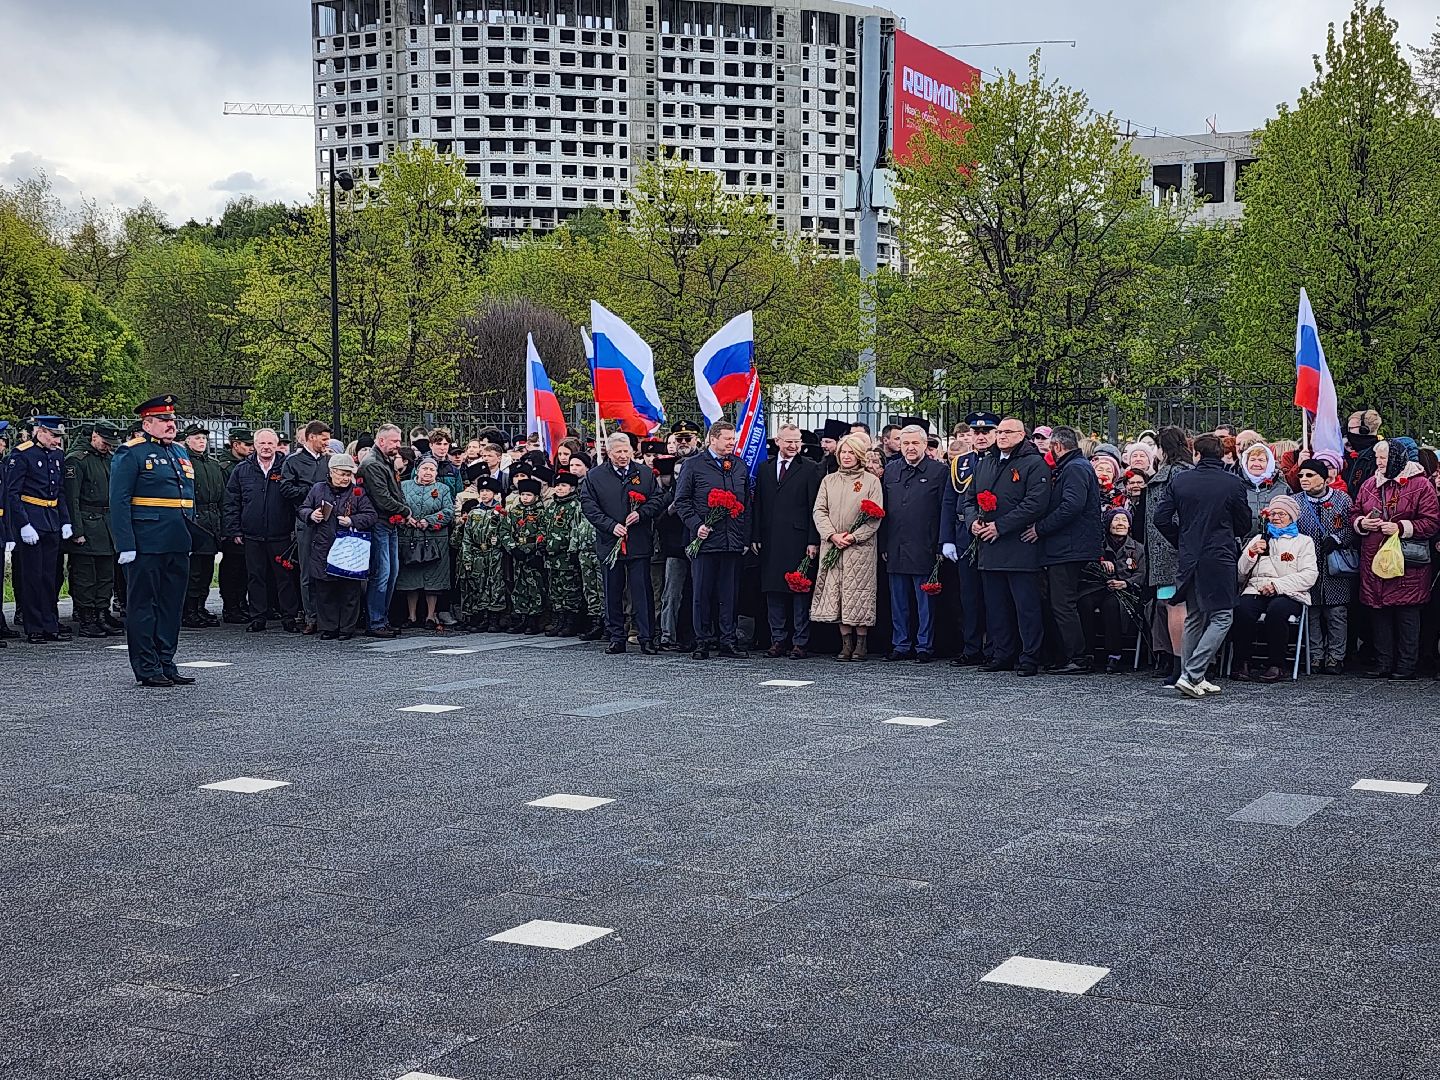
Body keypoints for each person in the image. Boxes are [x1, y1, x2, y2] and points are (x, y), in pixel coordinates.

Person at [1153, 433, 1253, 699]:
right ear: (1221, 455)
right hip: (1219, 556)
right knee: (1222, 615)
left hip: (1189, 555)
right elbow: (1244, 523)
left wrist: (1182, 539)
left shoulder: (1181, 481)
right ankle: (1194, 673)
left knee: (1195, 615)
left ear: (1196, 453)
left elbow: (1160, 518)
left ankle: (1190, 675)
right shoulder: (1232, 483)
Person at [109, 396, 197, 687]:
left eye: (172, 420)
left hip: (177, 540)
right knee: (143, 605)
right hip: (146, 541)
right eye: (163, 420)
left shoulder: (180, 453)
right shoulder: (130, 453)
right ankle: (146, 666)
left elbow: (186, 500)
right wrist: (126, 544)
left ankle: (165, 661)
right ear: (147, 424)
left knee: (172, 605)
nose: (171, 425)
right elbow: (119, 501)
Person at [965, 417, 1051, 676]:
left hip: (1019, 545)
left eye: (1007, 432)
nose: (1001, 436)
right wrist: (973, 523)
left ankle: (1029, 656)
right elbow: (969, 499)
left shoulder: (1034, 463)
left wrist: (1000, 526)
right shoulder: (986, 462)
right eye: (999, 432)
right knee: (996, 605)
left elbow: (1035, 503)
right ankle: (1002, 653)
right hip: (989, 547)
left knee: (1026, 606)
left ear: (1021, 434)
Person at [1351, 438, 1440, 680]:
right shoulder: (1370, 483)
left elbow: (1431, 522)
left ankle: (1406, 665)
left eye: (1384, 458)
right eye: (1378, 458)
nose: (1379, 462)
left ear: (1398, 459)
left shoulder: (1421, 484)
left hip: (1406, 559)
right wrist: (1361, 523)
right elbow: (1355, 512)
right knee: (1378, 611)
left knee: (1407, 613)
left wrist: (1401, 527)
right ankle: (1383, 663)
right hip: (1374, 556)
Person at [579, 432, 664, 654]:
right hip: (610, 543)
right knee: (613, 591)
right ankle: (616, 636)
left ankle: (647, 637)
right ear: (609, 452)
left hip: (638, 542)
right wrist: (610, 526)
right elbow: (589, 507)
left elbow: (657, 499)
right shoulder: (595, 476)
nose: (624, 456)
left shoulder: (644, 474)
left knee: (642, 591)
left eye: (627, 451)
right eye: (619, 452)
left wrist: (642, 513)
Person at [675, 420, 752, 659]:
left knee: (728, 593)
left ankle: (727, 640)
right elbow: (682, 501)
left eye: (733, 438)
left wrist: (745, 536)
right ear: (713, 439)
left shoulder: (738, 465)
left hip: (732, 541)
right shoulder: (694, 465)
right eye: (727, 438)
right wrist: (696, 525)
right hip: (705, 541)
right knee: (702, 593)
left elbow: (747, 504)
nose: (732, 443)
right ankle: (702, 640)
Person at [1028, 426, 1101, 674]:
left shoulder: (1074, 469)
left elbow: (1071, 506)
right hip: (1069, 545)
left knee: (1062, 603)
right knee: (1064, 602)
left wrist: (1041, 528)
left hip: (1068, 547)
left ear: (1057, 447)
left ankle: (1077, 656)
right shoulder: (1076, 466)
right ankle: (1069, 654)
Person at [1230, 494, 1318, 683]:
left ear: (1292, 517)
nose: (1276, 517)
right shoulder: (1258, 539)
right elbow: (1239, 573)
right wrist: (1251, 554)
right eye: (1273, 513)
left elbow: (1310, 575)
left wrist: (1277, 585)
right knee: (1242, 610)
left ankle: (1277, 664)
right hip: (1256, 589)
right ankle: (1242, 662)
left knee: (1277, 611)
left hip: (1289, 591)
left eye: (1282, 514)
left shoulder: (1304, 542)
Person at [811, 432, 884, 660]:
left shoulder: (871, 481)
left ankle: (861, 643)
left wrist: (853, 537)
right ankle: (845, 643)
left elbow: (875, 516)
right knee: (838, 593)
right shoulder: (829, 480)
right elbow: (819, 510)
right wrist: (832, 535)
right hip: (833, 544)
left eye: (851, 452)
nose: (847, 456)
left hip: (859, 547)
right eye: (843, 452)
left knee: (858, 593)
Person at [752, 423, 822, 659]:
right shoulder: (765, 468)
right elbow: (758, 505)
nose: (793, 446)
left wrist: (813, 540)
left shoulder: (810, 468)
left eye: (797, 441)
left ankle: (800, 641)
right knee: (774, 590)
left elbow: (816, 507)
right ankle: (778, 639)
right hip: (771, 539)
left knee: (799, 591)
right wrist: (755, 536)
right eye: (789, 441)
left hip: (799, 539)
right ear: (778, 441)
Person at [880, 424, 947, 663]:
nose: (910, 448)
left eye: (915, 443)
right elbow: (884, 510)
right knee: (898, 600)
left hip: (925, 544)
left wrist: (941, 544)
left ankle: (924, 646)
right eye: (905, 443)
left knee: (924, 602)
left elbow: (944, 510)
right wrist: (885, 544)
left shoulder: (939, 471)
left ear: (924, 444)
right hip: (896, 544)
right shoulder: (891, 470)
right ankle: (901, 644)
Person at [224, 427, 301, 633]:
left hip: (281, 533)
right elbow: (232, 501)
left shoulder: (286, 467)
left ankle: (289, 617)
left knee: (284, 578)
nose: (266, 448)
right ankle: (257, 617)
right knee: (255, 576)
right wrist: (235, 530)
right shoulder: (242, 470)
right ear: (255, 445)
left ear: (276, 446)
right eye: (262, 444)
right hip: (252, 534)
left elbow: (296, 498)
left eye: (270, 444)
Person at [5, 415, 71, 644]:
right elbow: (12, 494)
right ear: (39, 431)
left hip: (51, 519)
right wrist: (23, 525)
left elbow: (60, 491)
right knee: (32, 576)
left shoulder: (57, 455)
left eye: (58, 437)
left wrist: (65, 521)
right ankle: (34, 626)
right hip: (32, 519)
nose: (57, 441)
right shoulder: (22, 454)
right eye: (53, 436)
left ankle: (50, 623)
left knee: (51, 576)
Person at [294, 453, 374, 639]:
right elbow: (303, 509)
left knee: (349, 591)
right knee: (325, 590)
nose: (345, 478)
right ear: (331, 472)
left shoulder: (358, 492)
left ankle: (347, 628)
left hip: (349, 550)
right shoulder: (318, 489)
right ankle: (328, 627)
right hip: (323, 546)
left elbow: (371, 515)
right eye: (341, 474)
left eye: (348, 474)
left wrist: (352, 520)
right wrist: (311, 515)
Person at [940, 412, 997, 666]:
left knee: (993, 596)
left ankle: (994, 648)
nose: (981, 437)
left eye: (986, 432)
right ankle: (971, 647)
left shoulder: (1001, 460)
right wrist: (947, 539)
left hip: (993, 535)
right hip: (964, 534)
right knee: (969, 595)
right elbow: (949, 503)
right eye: (976, 433)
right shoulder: (960, 462)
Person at [1293, 458, 1355, 674]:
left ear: (1324, 477)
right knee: (1311, 612)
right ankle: (1315, 655)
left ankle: (1336, 657)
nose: (1304, 480)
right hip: (1306, 565)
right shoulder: (1296, 501)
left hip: (1335, 566)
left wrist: (1338, 539)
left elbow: (1351, 527)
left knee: (1337, 613)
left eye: (1309, 475)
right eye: (1301, 476)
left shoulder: (1342, 500)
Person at [63, 421, 121, 638]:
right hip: (87, 523)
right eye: (105, 442)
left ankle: (101, 613)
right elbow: (72, 498)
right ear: (94, 436)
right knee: (86, 576)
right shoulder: (77, 461)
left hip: (107, 524)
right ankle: (87, 617)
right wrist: (77, 530)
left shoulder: (109, 459)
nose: (107, 447)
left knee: (106, 574)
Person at [1144, 426, 1192, 685]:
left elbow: (1162, 519)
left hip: (1168, 554)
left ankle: (1179, 663)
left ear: (1162, 449)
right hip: (1188, 551)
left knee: (1175, 608)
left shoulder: (1168, 477)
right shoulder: (1191, 473)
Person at [280, 420, 333, 635]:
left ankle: (328, 616)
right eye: (324, 438)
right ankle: (311, 616)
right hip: (306, 521)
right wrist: (311, 493)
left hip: (330, 522)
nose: (327, 442)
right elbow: (285, 489)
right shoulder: (293, 462)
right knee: (308, 572)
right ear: (311, 437)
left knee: (330, 570)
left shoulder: (330, 461)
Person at [360, 424, 408, 638]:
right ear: (381, 441)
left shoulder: (386, 462)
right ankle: (376, 621)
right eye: (394, 441)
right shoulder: (372, 464)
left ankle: (383, 618)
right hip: (379, 522)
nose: (398, 445)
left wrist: (402, 509)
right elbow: (382, 497)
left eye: (399, 441)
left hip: (390, 522)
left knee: (392, 573)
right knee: (382, 573)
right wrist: (405, 510)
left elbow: (396, 491)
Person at [396, 456, 455, 632]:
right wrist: (407, 518)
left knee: (433, 578)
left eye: (432, 469)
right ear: (417, 470)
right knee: (411, 577)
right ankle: (412, 615)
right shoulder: (404, 486)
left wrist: (428, 521)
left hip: (435, 537)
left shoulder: (443, 489)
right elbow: (397, 505)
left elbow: (448, 510)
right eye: (425, 469)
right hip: (410, 536)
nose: (428, 472)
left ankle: (430, 615)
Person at [180, 425, 226, 628]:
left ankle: (200, 606)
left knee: (206, 568)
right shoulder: (185, 463)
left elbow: (222, 494)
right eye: (197, 438)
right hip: (195, 518)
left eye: (204, 439)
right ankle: (189, 609)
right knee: (194, 570)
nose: (201, 442)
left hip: (212, 519)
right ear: (187, 441)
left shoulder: (213, 464)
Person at [1091, 507, 1145, 673]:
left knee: (1111, 605)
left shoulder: (1138, 548)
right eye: (1116, 520)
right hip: (1099, 587)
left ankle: (1114, 654)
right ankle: (1087, 652)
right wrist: (1100, 563)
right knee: (1084, 602)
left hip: (1124, 591)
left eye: (1124, 520)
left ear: (1129, 526)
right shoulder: (1097, 545)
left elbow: (1142, 573)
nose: (1120, 523)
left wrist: (1126, 583)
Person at [457, 477, 509, 631]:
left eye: (488, 491)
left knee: (495, 584)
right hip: (478, 552)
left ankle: (495, 618)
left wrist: (498, 542)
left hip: (494, 553)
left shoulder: (500, 512)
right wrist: (467, 556)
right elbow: (467, 537)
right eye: (482, 491)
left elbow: (506, 532)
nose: (485, 494)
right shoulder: (474, 513)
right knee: (480, 584)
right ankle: (483, 617)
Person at [540, 470, 584, 636]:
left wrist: (557, 545)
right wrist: (542, 543)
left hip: (566, 555)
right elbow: (544, 527)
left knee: (570, 589)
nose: (559, 488)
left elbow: (574, 530)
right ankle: (558, 619)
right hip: (551, 558)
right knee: (555, 589)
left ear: (572, 488)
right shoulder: (552, 506)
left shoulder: (575, 506)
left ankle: (571, 621)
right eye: (557, 485)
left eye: (563, 485)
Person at [217, 427, 254, 623]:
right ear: (235, 444)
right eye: (247, 445)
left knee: (245, 567)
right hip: (232, 523)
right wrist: (230, 528)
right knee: (233, 567)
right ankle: (231, 606)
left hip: (247, 522)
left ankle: (240, 602)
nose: (251, 448)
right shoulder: (224, 467)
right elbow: (227, 499)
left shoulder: (248, 464)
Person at [503, 476, 547, 633]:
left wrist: (537, 550)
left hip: (533, 553)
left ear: (535, 496)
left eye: (528, 495)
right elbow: (505, 531)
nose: (525, 498)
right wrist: (513, 548)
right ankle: (522, 616)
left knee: (535, 586)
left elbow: (544, 531)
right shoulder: (514, 512)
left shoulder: (541, 512)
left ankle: (535, 619)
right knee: (519, 586)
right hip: (517, 554)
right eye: (522, 495)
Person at [1239, 443, 1291, 529]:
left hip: (1274, 539)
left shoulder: (1283, 488)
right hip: (1242, 541)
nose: (1256, 464)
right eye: (1252, 460)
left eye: (1261, 460)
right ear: (1245, 462)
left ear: (1269, 463)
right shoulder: (1237, 486)